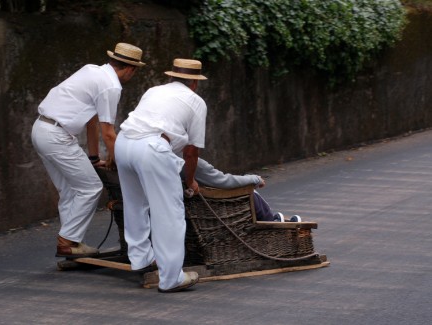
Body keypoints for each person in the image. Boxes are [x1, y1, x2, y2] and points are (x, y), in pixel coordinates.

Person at [31, 42, 145, 258]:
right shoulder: (111, 86)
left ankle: (73, 244)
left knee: (70, 190)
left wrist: (93, 158)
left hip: (41, 129)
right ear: (130, 69)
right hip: (57, 136)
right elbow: (109, 133)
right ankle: (67, 241)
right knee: (90, 187)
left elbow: (92, 122)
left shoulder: (91, 70)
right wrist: (125, 163)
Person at [115, 58, 207, 293]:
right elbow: (191, 151)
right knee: (169, 212)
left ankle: (141, 259)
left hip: (123, 143)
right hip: (153, 147)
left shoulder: (154, 90)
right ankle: (171, 278)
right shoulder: (196, 101)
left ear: (171, 77)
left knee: (135, 204)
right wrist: (190, 181)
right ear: (195, 83)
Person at [187, 158, 302, 222]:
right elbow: (224, 181)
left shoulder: (173, 157)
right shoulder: (191, 161)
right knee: (249, 191)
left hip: (196, 209)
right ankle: (271, 222)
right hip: (215, 210)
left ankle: (270, 219)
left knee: (247, 184)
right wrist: (254, 179)